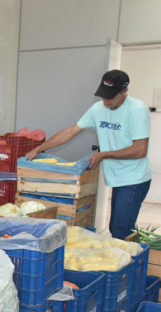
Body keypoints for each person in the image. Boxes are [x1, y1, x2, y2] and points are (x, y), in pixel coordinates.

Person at [26, 70, 152, 239]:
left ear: (125, 91)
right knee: (117, 227)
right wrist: (39, 148)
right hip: (117, 177)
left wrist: (103, 155)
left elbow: (140, 150)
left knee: (121, 230)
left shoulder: (137, 110)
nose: (105, 102)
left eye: (110, 97)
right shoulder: (98, 109)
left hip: (135, 178)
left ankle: (131, 255)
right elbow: (71, 131)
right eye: (103, 96)